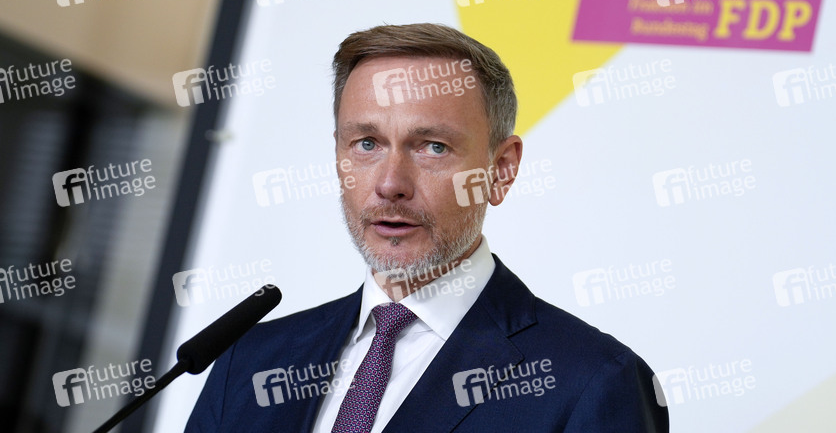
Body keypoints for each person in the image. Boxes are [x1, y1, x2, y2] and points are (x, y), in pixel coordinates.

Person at [185, 23, 668, 432]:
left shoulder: (593, 380)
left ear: (500, 170)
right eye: (367, 143)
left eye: (433, 147)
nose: (390, 184)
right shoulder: (250, 361)